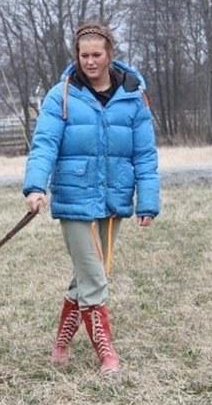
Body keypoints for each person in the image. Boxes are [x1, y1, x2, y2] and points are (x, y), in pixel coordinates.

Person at [22, 21, 160, 375]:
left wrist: (147, 200)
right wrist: (35, 186)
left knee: (87, 273)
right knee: (95, 277)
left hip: (114, 199)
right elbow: (45, 145)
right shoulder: (62, 95)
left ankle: (62, 343)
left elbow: (144, 154)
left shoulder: (133, 96)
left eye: (97, 54)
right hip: (74, 197)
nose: (90, 62)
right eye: (84, 55)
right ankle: (106, 352)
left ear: (110, 54)